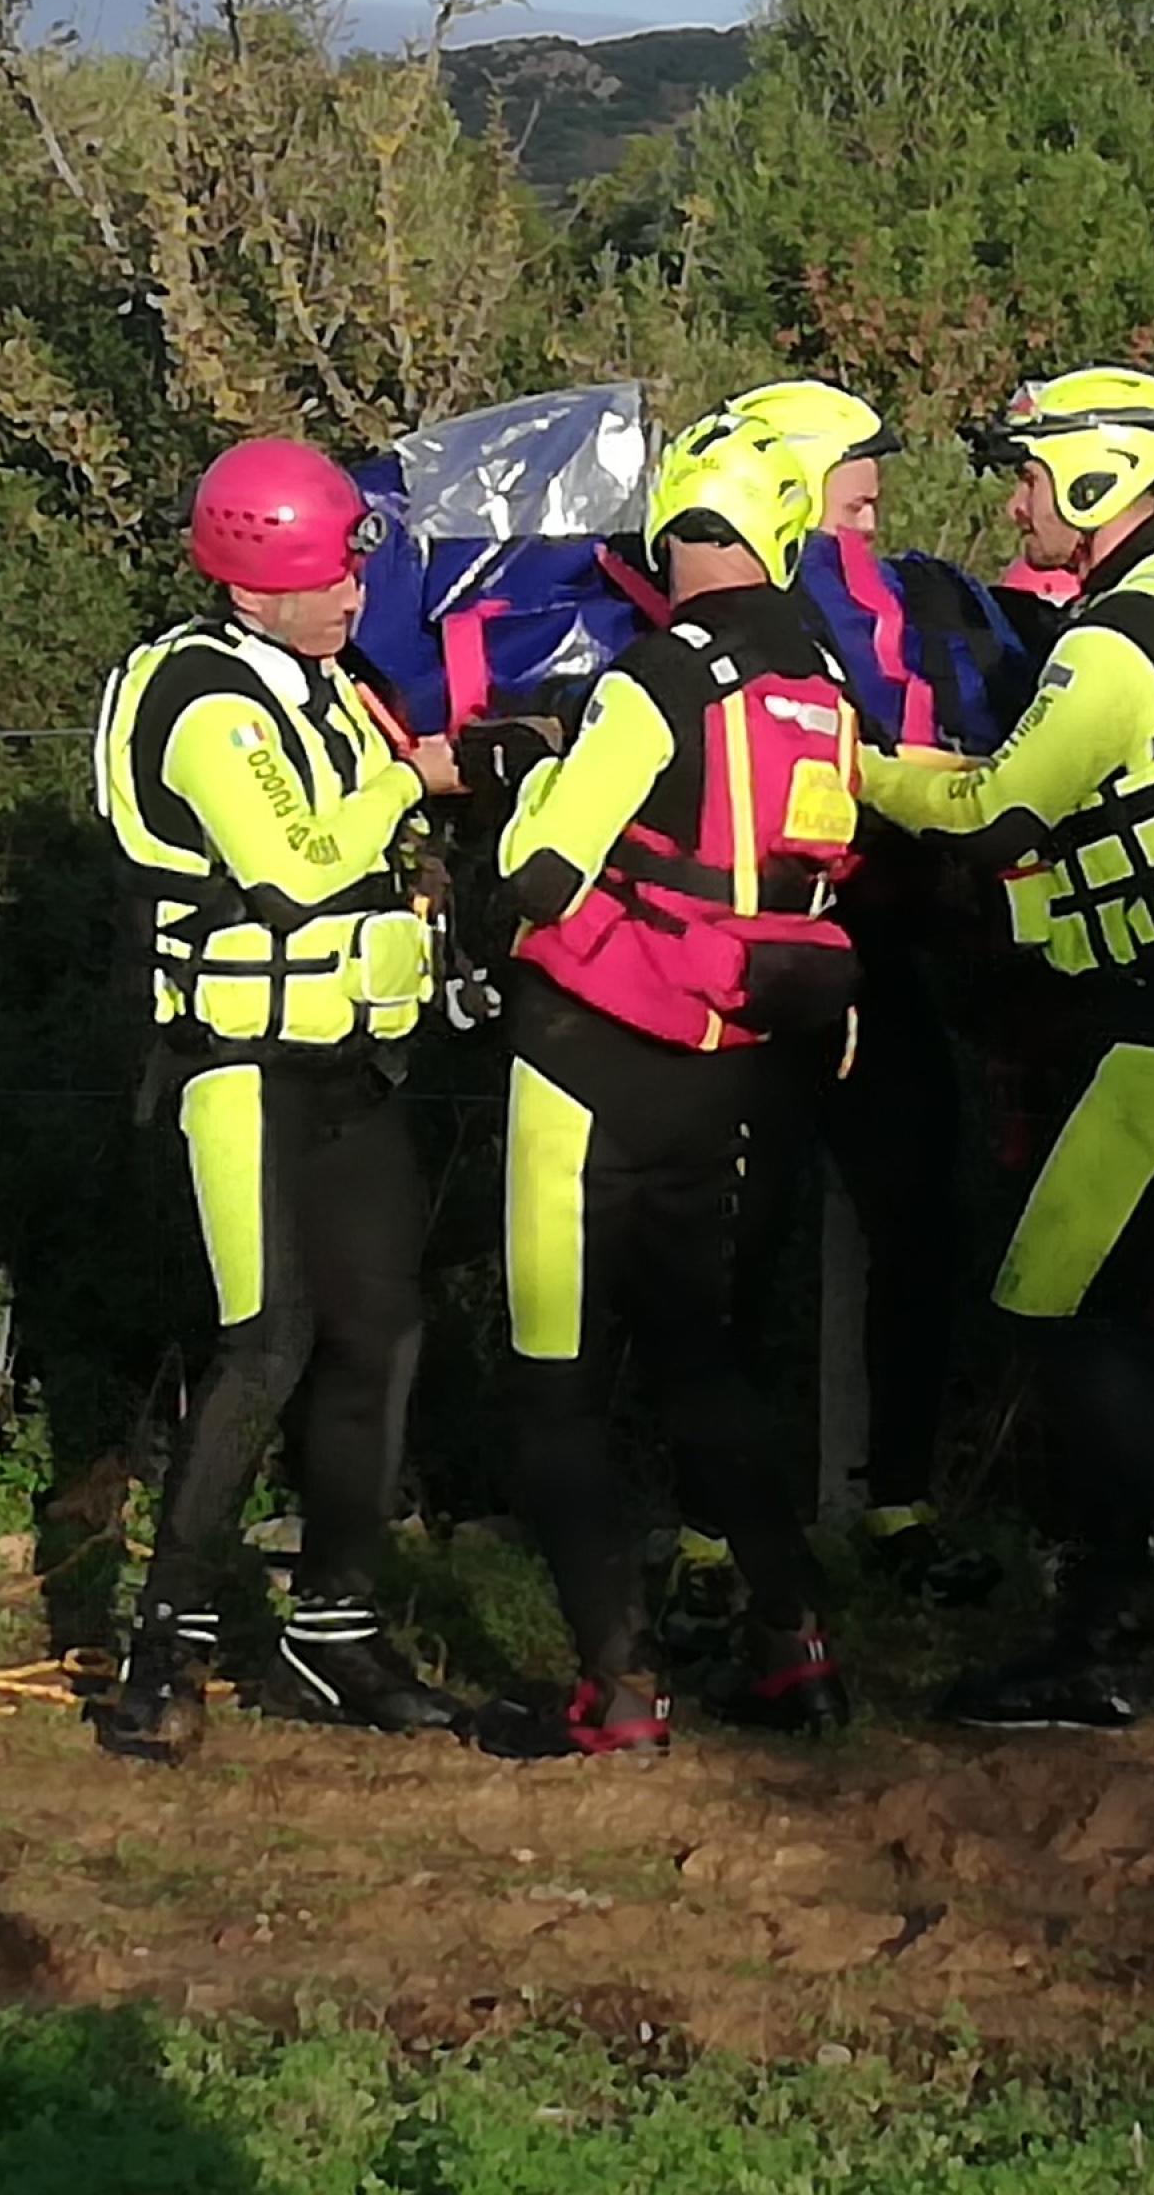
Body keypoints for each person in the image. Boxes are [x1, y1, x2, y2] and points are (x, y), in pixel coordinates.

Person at [855, 364, 1154, 1730]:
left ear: (1095, 478)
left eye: (1029, 469)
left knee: (1045, 1301)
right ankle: (1099, 1631)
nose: (1015, 497)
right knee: (1125, 1318)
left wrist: (858, 763)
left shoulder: (1115, 642)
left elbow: (998, 815)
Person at [472, 409, 867, 1758]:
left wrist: (518, 787)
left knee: (557, 1382)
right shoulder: (821, 681)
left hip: (588, 1063)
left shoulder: (653, 678)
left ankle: (618, 1684)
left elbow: (542, 874)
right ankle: (795, 1645)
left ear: (678, 528)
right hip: (729, 1067)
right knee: (706, 1365)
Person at [91, 436, 473, 1764]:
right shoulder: (205, 699)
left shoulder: (325, 685)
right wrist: (406, 781)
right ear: (256, 583)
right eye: (326, 579)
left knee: (383, 1332)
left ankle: (338, 1627)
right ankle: (162, 1647)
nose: (351, 597)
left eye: (353, 572)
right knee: (267, 1344)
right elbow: (299, 864)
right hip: (237, 1069)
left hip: (348, 1066)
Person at [664, 377, 1040, 1642]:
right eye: (852, 465)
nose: (875, 478)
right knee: (742, 1248)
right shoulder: (733, 613)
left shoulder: (910, 597)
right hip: (763, 963)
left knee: (909, 1229)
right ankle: (719, 1527)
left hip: (870, 955)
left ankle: (889, 1505)